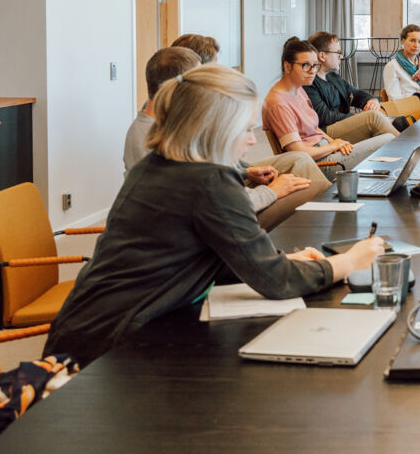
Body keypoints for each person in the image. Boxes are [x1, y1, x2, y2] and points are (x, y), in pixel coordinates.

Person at [46, 64, 386, 367]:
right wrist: (351, 262)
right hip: (110, 353)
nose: (253, 141)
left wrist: (279, 259)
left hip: (85, 331)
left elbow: (199, 256)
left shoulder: (157, 166)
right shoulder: (209, 181)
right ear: (216, 130)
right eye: (245, 130)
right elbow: (276, 281)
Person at [123, 46, 327, 231]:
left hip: (224, 206)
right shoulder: (156, 139)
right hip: (216, 223)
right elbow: (214, 201)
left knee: (306, 183)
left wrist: (246, 173)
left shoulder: (168, 129)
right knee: (312, 190)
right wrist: (271, 192)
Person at [264, 38, 395, 170]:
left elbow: (315, 128)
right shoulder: (278, 103)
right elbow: (299, 152)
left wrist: (335, 142)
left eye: (315, 65)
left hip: (325, 148)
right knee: (388, 139)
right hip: (318, 164)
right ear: (287, 67)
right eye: (306, 65)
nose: (312, 71)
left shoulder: (298, 89)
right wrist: (333, 146)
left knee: (387, 138)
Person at [305, 32, 403, 137]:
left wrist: (370, 100)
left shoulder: (333, 77)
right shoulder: (309, 83)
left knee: (399, 122)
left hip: (343, 124)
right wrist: (359, 118)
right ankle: (406, 147)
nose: (341, 56)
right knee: (373, 118)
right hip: (326, 132)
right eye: (338, 52)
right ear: (322, 56)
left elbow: (355, 93)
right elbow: (325, 117)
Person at [383, 24, 420, 108]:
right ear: (403, 41)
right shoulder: (392, 66)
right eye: (412, 40)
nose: (416, 45)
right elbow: (395, 101)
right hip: (408, 112)